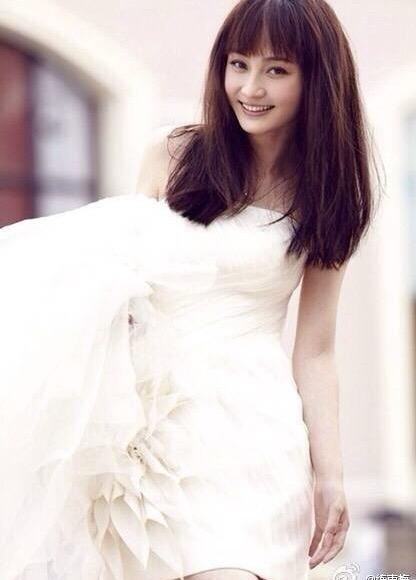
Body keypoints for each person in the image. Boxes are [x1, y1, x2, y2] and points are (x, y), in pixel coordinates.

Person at [0, 1, 381, 579]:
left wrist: (330, 474)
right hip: (155, 426)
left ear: (317, 80)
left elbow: (316, 350)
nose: (250, 88)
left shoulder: (327, 193)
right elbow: (120, 288)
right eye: (238, 64)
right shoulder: (173, 154)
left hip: (253, 433)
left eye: (277, 70)